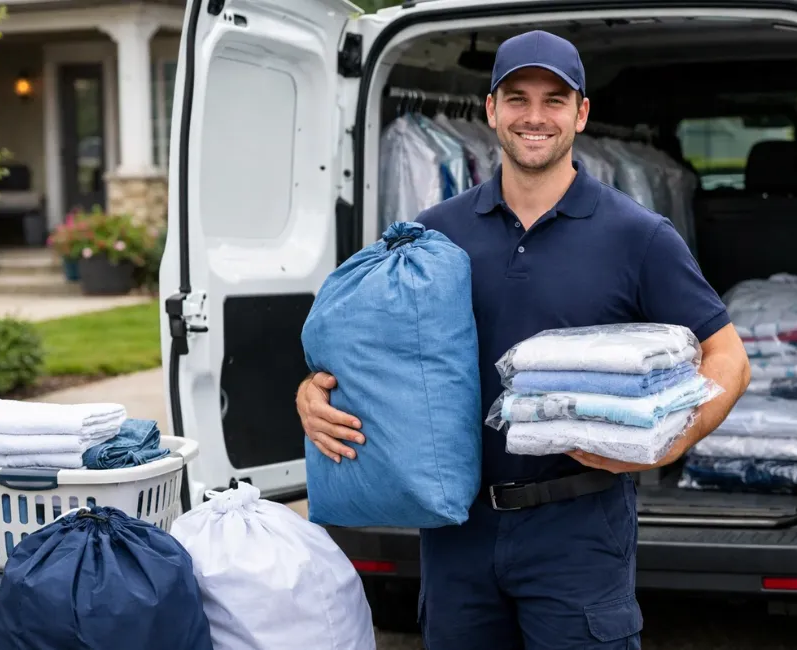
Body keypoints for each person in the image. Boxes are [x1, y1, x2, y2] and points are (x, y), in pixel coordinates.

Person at [296, 29, 751, 649]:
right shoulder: (431, 236)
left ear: (581, 113)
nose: (534, 116)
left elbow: (729, 357)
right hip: (457, 530)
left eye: (554, 99)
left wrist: (670, 442)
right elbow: (368, 352)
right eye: (516, 98)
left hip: (579, 528)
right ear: (490, 109)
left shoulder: (638, 236)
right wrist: (313, 393)